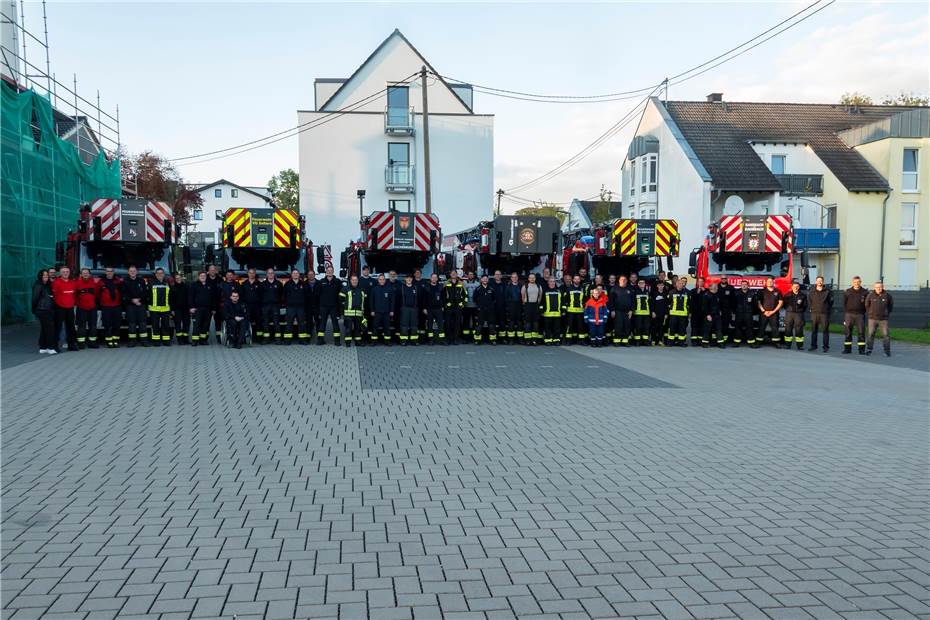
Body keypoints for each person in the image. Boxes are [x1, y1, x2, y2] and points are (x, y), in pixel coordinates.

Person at [51, 266, 79, 352]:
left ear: (69, 273)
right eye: (63, 272)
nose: (65, 273)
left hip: (70, 308)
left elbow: (74, 295)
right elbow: (54, 296)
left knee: (71, 327)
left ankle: (71, 345)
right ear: (60, 273)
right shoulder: (56, 283)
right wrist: (60, 304)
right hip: (60, 308)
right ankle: (55, 346)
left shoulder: (72, 283)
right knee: (58, 327)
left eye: (67, 271)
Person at [121, 265, 148, 347]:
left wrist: (139, 300)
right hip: (130, 306)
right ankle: (132, 341)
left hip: (140, 304)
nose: (132, 272)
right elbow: (124, 293)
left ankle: (144, 341)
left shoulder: (141, 281)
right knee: (131, 324)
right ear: (128, 272)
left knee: (142, 323)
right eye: (131, 271)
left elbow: (145, 293)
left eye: (134, 271)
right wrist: (132, 300)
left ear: (137, 272)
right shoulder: (125, 281)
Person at [74, 268, 101, 349]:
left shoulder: (93, 283)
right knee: (81, 327)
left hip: (92, 308)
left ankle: (92, 343)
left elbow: (96, 294)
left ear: (89, 274)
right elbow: (74, 296)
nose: (85, 274)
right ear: (81, 274)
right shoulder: (76, 283)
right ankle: (81, 343)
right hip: (81, 308)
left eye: (87, 273)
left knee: (93, 326)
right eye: (84, 273)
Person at [865, 281, 893, 357]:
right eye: (877, 287)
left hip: (883, 319)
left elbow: (890, 306)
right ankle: (869, 350)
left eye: (880, 287)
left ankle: (887, 351)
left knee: (886, 335)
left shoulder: (887, 296)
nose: (879, 288)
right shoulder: (870, 295)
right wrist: (870, 313)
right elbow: (867, 305)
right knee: (870, 335)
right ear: (874, 288)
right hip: (872, 319)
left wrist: (886, 313)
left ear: (883, 287)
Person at [32, 270, 56, 354]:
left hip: (48, 309)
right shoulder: (38, 285)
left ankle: (43, 347)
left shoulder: (48, 285)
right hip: (42, 310)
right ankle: (50, 347)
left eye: (47, 275)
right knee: (50, 328)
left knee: (44, 328)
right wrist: (34, 309)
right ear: (40, 276)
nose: (46, 276)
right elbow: (34, 299)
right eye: (44, 275)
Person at [842, 276, 868, 355]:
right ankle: (847, 349)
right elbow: (844, 304)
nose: (856, 283)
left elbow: (867, 304)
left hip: (860, 315)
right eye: (855, 282)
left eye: (858, 282)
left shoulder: (865, 292)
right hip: (849, 315)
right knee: (848, 332)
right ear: (852, 282)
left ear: (860, 282)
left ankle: (861, 350)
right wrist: (846, 316)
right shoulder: (847, 292)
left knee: (861, 333)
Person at [317, 266, 342, 345]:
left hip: (334, 307)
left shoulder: (337, 281)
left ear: (333, 271)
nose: (329, 272)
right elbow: (317, 295)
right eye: (328, 270)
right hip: (323, 307)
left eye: (331, 270)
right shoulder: (321, 282)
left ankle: (337, 341)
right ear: (326, 271)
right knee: (322, 323)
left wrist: (339, 308)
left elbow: (340, 295)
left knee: (335, 324)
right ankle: (320, 340)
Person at [807, 276, 833, 352]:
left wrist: (827, 309)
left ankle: (825, 347)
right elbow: (809, 301)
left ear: (823, 282)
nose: (819, 282)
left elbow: (831, 302)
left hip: (824, 314)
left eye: (821, 281)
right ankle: (813, 346)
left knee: (825, 330)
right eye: (818, 281)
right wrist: (811, 308)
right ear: (816, 282)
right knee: (814, 330)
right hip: (814, 313)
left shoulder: (828, 291)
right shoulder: (811, 291)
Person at [282, 269, 308, 345]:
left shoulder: (303, 284)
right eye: (294, 273)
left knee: (302, 324)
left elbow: (307, 296)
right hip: (290, 307)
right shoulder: (287, 284)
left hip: (301, 307)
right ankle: (287, 340)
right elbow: (284, 296)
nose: (295, 274)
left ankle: (302, 340)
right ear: (291, 275)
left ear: (299, 275)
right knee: (289, 324)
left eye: (297, 273)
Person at [148, 267, 173, 346]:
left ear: (164, 274)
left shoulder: (167, 283)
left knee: (166, 325)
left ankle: (166, 341)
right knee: (155, 326)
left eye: (161, 273)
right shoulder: (151, 283)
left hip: (165, 309)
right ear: (155, 275)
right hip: (154, 309)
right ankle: (156, 341)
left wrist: (171, 308)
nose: (160, 275)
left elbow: (171, 296)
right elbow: (147, 295)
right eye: (158, 273)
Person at [757, 277, 783, 348]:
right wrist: (764, 311)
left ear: (773, 282)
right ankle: (759, 342)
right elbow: (759, 302)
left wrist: (773, 311)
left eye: (771, 281)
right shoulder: (761, 291)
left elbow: (780, 302)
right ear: (766, 283)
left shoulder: (777, 291)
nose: (769, 283)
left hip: (774, 313)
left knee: (775, 328)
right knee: (761, 327)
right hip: (764, 313)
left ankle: (777, 343)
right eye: (768, 281)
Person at [99, 268, 122, 348]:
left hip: (117, 306)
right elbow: (97, 293)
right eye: (108, 271)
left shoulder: (118, 281)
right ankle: (109, 341)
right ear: (105, 272)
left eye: (111, 271)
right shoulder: (101, 281)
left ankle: (116, 341)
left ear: (113, 272)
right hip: (106, 306)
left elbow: (121, 292)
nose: (109, 273)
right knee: (107, 324)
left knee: (117, 324)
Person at [341, 275, 366, 347]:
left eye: (356, 280)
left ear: (358, 281)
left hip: (358, 313)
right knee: (348, 328)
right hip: (348, 313)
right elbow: (340, 300)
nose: (355, 281)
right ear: (350, 281)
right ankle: (348, 342)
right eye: (353, 280)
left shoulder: (361, 290)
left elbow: (364, 301)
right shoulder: (345, 289)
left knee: (358, 329)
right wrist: (343, 311)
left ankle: (358, 342)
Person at [259, 268, 283, 344]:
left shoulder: (279, 284)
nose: (270, 274)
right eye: (269, 273)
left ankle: (278, 339)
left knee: (276, 322)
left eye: (272, 273)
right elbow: (260, 295)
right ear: (266, 274)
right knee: (265, 322)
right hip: (265, 306)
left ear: (274, 274)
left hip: (275, 305)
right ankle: (266, 339)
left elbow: (281, 294)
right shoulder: (262, 284)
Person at [782, 281, 807, 351]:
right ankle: (787, 345)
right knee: (788, 329)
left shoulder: (803, 296)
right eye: (794, 286)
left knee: (799, 330)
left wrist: (800, 310)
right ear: (792, 287)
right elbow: (784, 305)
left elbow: (805, 305)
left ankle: (800, 346)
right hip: (789, 314)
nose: (796, 287)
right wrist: (788, 309)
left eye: (797, 286)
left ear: (799, 287)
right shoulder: (787, 295)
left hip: (799, 314)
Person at [190, 271, 213, 346]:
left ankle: (203, 340)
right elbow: (190, 297)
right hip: (197, 309)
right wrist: (191, 307)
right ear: (198, 277)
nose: (203, 277)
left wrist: (213, 308)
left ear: (206, 277)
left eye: (204, 276)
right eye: (201, 276)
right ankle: (195, 340)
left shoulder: (210, 285)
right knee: (196, 324)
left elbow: (214, 297)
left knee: (205, 325)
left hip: (208, 309)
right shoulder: (194, 285)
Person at [472, 274, 497, 344]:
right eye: (484, 278)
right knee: (479, 325)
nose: (485, 280)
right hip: (481, 310)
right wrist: (479, 306)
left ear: (488, 280)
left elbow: (494, 299)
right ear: (481, 280)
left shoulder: (491, 289)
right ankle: (477, 340)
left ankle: (492, 340)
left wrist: (491, 306)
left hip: (490, 310)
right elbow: (474, 299)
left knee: (491, 325)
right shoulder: (478, 289)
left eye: (486, 278)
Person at [370, 274, 395, 345]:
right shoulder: (374, 289)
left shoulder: (389, 289)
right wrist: (372, 310)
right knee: (375, 327)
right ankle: (374, 341)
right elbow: (371, 301)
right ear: (378, 280)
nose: (382, 281)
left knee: (387, 327)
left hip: (386, 312)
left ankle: (387, 341)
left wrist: (392, 310)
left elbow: (392, 301)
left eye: (383, 279)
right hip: (377, 312)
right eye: (380, 279)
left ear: (385, 280)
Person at [608, 275, 633, 346]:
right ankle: (616, 341)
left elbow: (633, 300)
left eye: (624, 279)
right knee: (618, 326)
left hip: (627, 312)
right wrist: (612, 310)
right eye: (621, 280)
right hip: (617, 311)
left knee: (627, 326)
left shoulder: (630, 289)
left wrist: (631, 310)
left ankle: (625, 341)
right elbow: (611, 301)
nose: (623, 281)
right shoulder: (614, 289)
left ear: (627, 281)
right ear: (619, 281)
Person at [442, 272, 466, 344]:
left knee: (457, 323)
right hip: (449, 307)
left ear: (457, 275)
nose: (453, 274)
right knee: (448, 323)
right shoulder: (446, 283)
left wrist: (462, 304)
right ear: (450, 275)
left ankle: (456, 339)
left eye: (455, 273)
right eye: (452, 273)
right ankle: (448, 339)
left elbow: (465, 294)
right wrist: (445, 305)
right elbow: (443, 295)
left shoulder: (461, 283)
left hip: (458, 307)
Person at [732, 281, 757, 348]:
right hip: (739, 313)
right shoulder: (736, 293)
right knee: (737, 328)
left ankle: (751, 343)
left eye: (745, 284)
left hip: (748, 313)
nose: (744, 286)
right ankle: (736, 342)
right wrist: (735, 311)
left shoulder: (752, 293)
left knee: (750, 328)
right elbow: (733, 303)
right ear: (741, 285)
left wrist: (752, 312)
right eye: (742, 284)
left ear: (748, 285)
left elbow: (755, 304)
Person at [563, 275, 586, 344]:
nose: (577, 280)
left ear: (580, 280)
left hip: (580, 311)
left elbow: (585, 299)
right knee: (569, 326)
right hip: (571, 311)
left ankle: (581, 340)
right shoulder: (569, 289)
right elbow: (565, 300)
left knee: (581, 326)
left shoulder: (582, 288)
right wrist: (564, 310)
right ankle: (568, 340)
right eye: (575, 279)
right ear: (573, 280)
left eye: (578, 279)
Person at [423, 273, 446, 345]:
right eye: (433, 277)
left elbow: (444, 298)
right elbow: (424, 299)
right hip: (429, 309)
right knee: (430, 325)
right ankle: (431, 340)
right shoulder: (427, 287)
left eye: (435, 277)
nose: (434, 279)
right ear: (430, 279)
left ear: (437, 279)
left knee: (441, 325)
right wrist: (424, 308)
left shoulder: (440, 287)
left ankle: (441, 340)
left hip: (438, 309)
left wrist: (443, 306)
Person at [241, 268, 262, 342]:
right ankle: (246, 337)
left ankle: (258, 338)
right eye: (250, 273)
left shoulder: (259, 284)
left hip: (257, 306)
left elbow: (262, 295)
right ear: (248, 273)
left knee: (258, 322)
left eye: (253, 273)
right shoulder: (244, 284)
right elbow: (241, 295)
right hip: (247, 306)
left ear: (255, 274)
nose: (251, 274)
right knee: (246, 321)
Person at [701, 282, 725, 348]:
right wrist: (708, 315)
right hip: (710, 316)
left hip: (717, 315)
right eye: (716, 287)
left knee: (718, 329)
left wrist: (720, 311)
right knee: (707, 330)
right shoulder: (706, 295)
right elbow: (704, 307)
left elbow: (720, 305)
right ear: (712, 288)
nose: (717, 288)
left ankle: (720, 343)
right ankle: (704, 343)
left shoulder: (717, 295)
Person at [398, 274, 420, 345]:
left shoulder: (415, 288)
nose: (409, 279)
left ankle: (414, 340)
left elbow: (419, 299)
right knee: (404, 325)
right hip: (405, 309)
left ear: (412, 279)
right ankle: (403, 340)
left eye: (410, 278)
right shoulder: (401, 288)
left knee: (414, 325)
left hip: (414, 309)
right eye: (407, 278)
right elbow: (397, 299)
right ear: (405, 279)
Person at [521, 273, 543, 345]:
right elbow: (523, 297)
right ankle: (528, 340)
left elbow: (540, 297)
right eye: (530, 278)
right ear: (528, 279)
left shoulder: (539, 286)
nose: (532, 279)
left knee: (535, 323)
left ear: (535, 278)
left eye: (533, 278)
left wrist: (536, 303)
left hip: (535, 305)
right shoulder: (525, 286)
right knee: (528, 323)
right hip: (528, 305)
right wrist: (526, 304)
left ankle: (534, 340)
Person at [667, 278, 690, 346]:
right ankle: (670, 342)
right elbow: (668, 303)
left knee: (682, 329)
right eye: (679, 283)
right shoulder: (671, 292)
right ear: (676, 284)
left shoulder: (687, 293)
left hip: (683, 314)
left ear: (683, 284)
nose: (680, 285)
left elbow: (689, 303)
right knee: (672, 328)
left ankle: (681, 342)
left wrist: (689, 313)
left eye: (681, 283)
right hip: (673, 314)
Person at [542, 277, 564, 345]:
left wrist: (563, 310)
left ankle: (556, 340)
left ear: (555, 282)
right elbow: (542, 302)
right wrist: (541, 310)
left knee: (557, 328)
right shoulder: (545, 291)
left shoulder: (559, 291)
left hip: (557, 314)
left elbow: (562, 301)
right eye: (550, 281)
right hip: (547, 314)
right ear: (548, 282)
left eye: (553, 281)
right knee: (547, 328)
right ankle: (548, 340)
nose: (552, 283)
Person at [170, 272, 190, 345]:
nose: (178, 279)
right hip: (176, 309)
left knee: (186, 324)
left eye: (179, 278)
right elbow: (171, 300)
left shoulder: (186, 286)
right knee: (178, 324)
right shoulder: (172, 288)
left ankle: (186, 339)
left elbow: (189, 298)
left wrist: (190, 307)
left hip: (186, 309)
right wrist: (172, 310)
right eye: (177, 278)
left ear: (182, 278)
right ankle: (179, 340)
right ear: (175, 279)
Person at [503, 272, 523, 343]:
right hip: (511, 307)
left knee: (519, 323)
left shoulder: (521, 286)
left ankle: (520, 339)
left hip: (519, 306)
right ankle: (511, 339)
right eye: (513, 277)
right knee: (511, 323)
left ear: (517, 278)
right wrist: (508, 306)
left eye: (515, 277)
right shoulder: (508, 287)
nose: (514, 278)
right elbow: (506, 298)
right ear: (511, 278)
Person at [205, 264, 223, 343]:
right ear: (208, 271)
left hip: (218, 304)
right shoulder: (204, 279)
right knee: (206, 322)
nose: (212, 271)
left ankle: (219, 338)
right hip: (208, 304)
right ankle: (205, 338)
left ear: (216, 271)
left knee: (218, 322)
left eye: (214, 270)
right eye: (211, 270)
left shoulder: (220, 280)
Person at [632, 279, 651, 346]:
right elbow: (633, 302)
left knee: (646, 327)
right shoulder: (635, 292)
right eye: (640, 283)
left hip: (646, 313)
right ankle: (638, 341)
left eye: (643, 282)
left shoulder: (647, 292)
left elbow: (650, 302)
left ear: (645, 284)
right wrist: (633, 310)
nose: (642, 284)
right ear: (638, 284)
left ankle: (645, 340)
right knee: (638, 327)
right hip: (638, 313)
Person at [650, 280, 669, 346]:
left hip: (663, 314)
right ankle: (653, 340)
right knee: (654, 327)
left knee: (661, 328)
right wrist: (652, 312)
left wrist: (666, 314)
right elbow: (652, 304)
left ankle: (660, 341)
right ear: (657, 286)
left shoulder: (665, 294)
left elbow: (667, 305)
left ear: (663, 286)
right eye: (659, 285)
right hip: (655, 314)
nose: (661, 286)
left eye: (662, 285)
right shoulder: (654, 294)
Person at [462, 271, 479, 340]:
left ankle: (475, 337)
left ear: (474, 276)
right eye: (469, 274)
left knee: (475, 322)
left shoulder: (478, 284)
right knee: (466, 322)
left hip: (475, 306)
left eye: (472, 274)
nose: (470, 275)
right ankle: (466, 338)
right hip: (466, 306)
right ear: (467, 276)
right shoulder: (464, 284)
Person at [490, 270, 507, 339]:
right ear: (494, 276)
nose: (497, 276)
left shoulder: (504, 284)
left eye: (499, 274)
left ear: (501, 276)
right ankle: (493, 338)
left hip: (502, 307)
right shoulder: (490, 284)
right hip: (493, 307)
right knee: (493, 323)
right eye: (496, 274)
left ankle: (502, 338)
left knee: (502, 323)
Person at [689, 277, 706, 346]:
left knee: (702, 326)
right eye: (699, 282)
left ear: (703, 283)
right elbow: (691, 302)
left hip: (703, 312)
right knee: (694, 326)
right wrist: (697, 293)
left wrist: (704, 291)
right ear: (697, 283)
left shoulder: (706, 291)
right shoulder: (693, 291)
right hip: (695, 312)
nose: (700, 283)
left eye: (702, 282)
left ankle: (700, 340)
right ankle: (694, 341)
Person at [716, 277, 733, 344]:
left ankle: (725, 339)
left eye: (725, 278)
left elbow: (733, 299)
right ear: (721, 279)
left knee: (726, 325)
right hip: (717, 310)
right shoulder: (716, 287)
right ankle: (716, 339)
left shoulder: (731, 288)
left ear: (727, 279)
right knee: (717, 325)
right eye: (722, 278)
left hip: (727, 310)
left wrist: (732, 310)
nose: (724, 279)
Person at [304, 270, 320, 345]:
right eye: (309, 274)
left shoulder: (319, 283)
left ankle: (320, 339)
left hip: (317, 306)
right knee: (308, 323)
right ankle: (307, 338)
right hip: (308, 307)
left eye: (312, 274)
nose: (310, 276)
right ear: (307, 276)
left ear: (314, 275)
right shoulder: (304, 284)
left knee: (318, 323)